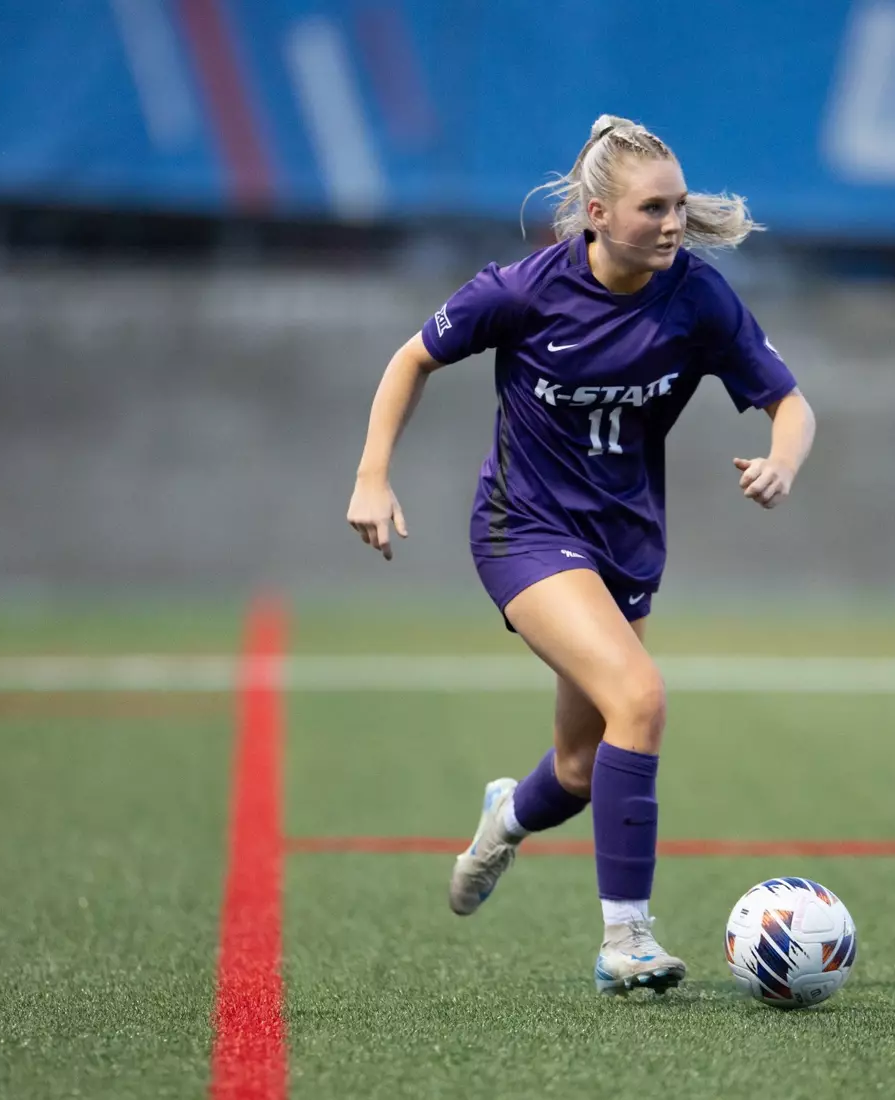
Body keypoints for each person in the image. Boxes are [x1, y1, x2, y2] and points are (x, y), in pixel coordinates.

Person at [346, 114, 816, 995]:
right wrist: (373, 476)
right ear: (596, 213)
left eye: (679, 205)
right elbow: (410, 359)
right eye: (653, 208)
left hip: (626, 548)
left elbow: (790, 404)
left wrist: (782, 461)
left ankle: (504, 818)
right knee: (639, 697)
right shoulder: (521, 291)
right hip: (520, 530)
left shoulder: (699, 298)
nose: (674, 224)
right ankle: (626, 942)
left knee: (575, 769)